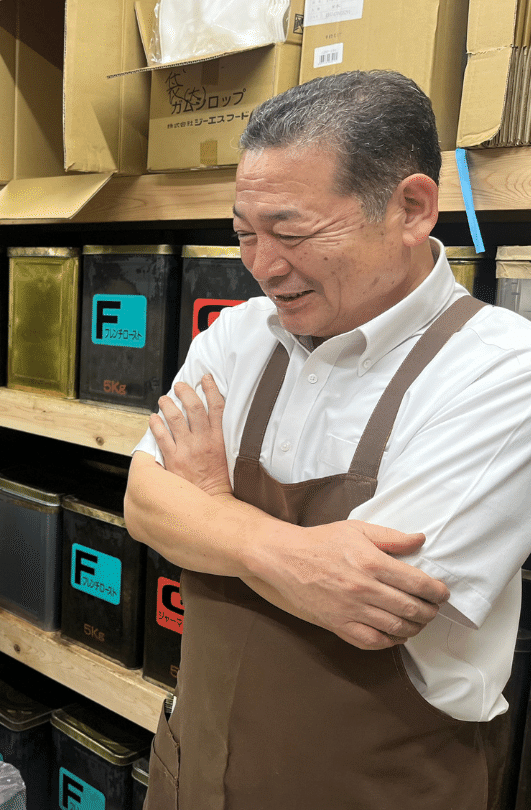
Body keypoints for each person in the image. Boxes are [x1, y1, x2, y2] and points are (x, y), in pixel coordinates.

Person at [124, 70, 531, 810]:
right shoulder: (238, 335)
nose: (263, 265)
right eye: (245, 233)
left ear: (411, 208)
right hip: (196, 771)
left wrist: (208, 503)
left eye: (292, 232)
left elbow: (373, 604)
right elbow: (144, 502)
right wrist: (284, 552)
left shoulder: (503, 371)